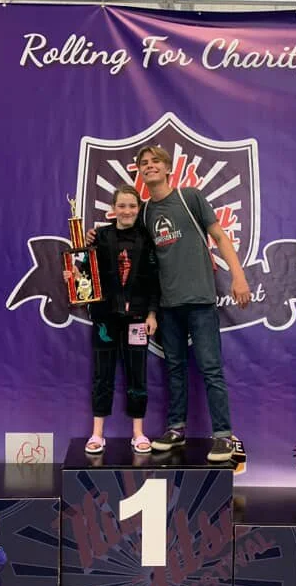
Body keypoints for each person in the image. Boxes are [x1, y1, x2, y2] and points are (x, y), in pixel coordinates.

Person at [136, 145, 250, 463]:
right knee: (174, 369)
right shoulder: (145, 213)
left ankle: (224, 436)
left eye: (155, 161)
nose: (150, 167)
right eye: (144, 164)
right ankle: (176, 428)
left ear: (167, 167)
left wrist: (238, 277)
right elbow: (143, 260)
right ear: (140, 173)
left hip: (200, 301)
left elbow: (221, 237)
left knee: (210, 369)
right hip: (169, 306)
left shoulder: (190, 198)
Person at [65, 184, 159, 455]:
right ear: (113, 209)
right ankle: (97, 434)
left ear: (138, 209)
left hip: (138, 319)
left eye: (132, 206)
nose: (127, 210)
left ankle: (138, 433)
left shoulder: (147, 238)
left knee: (137, 375)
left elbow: (155, 281)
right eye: (122, 205)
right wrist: (74, 278)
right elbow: (84, 271)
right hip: (105, 318)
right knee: (102, 375)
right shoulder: (99, 237)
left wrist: (152, 313)